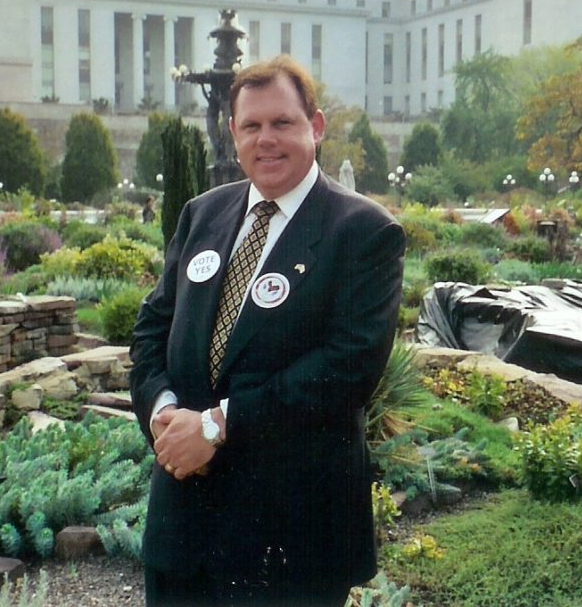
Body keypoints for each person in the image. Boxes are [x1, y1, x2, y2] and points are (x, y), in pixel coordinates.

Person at [129, 55, 405, 606]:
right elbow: (151, 330)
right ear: (233, 133)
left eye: (283, 123)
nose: (266, 140)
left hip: (291, 537)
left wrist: (215, 425)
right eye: (252, 126)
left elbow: (345, 371)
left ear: (316, 127)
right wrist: (162, 413)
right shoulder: (201, 215)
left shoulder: (364, 232)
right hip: (183, 522)